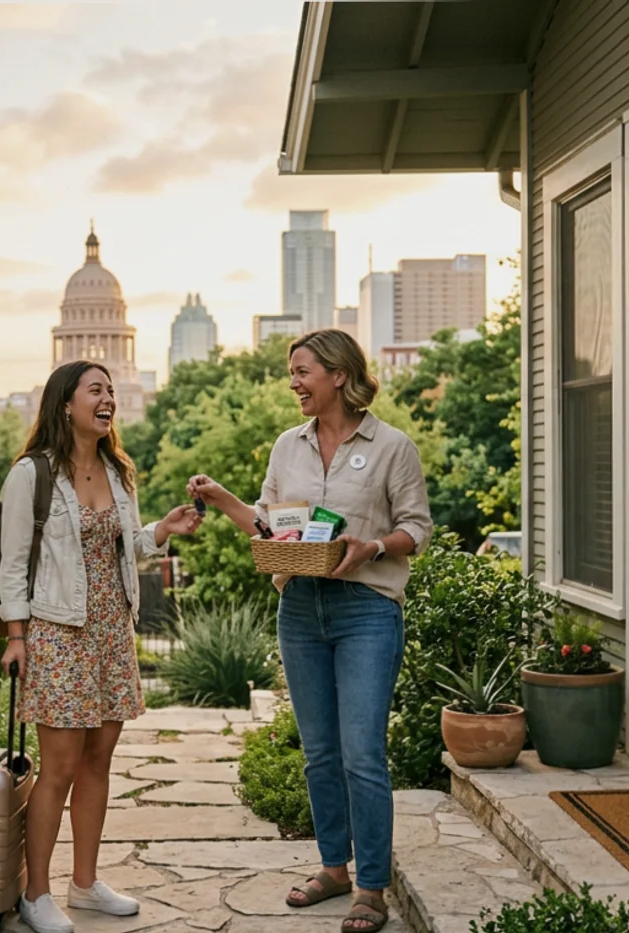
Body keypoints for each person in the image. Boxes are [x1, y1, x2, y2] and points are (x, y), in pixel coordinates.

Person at [187, 329, 433, 933]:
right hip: (299, 606)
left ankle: (371, 886)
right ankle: (333, 868)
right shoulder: (286, 447)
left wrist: (372, 544)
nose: (293, 383)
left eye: (302, 372)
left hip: (367, 609)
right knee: (319, 753)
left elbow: (416, 528)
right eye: (292, 373)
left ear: (339, 376)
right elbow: (272, 527)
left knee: (363, 755)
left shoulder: (392, 447)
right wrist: (221, 499)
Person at [0, 359, 201, 933]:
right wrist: (17, 636)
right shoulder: (32, 475)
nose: (107, 398)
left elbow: (125, 545)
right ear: (66, 403)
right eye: (96, 390)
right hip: (58, 632)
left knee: (98, 762)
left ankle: (83, 884)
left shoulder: (118, 471)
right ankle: (35, 894)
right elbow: (14, 565)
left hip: (113, 629)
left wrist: (162, 531)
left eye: (110, 390)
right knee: (58, 768)